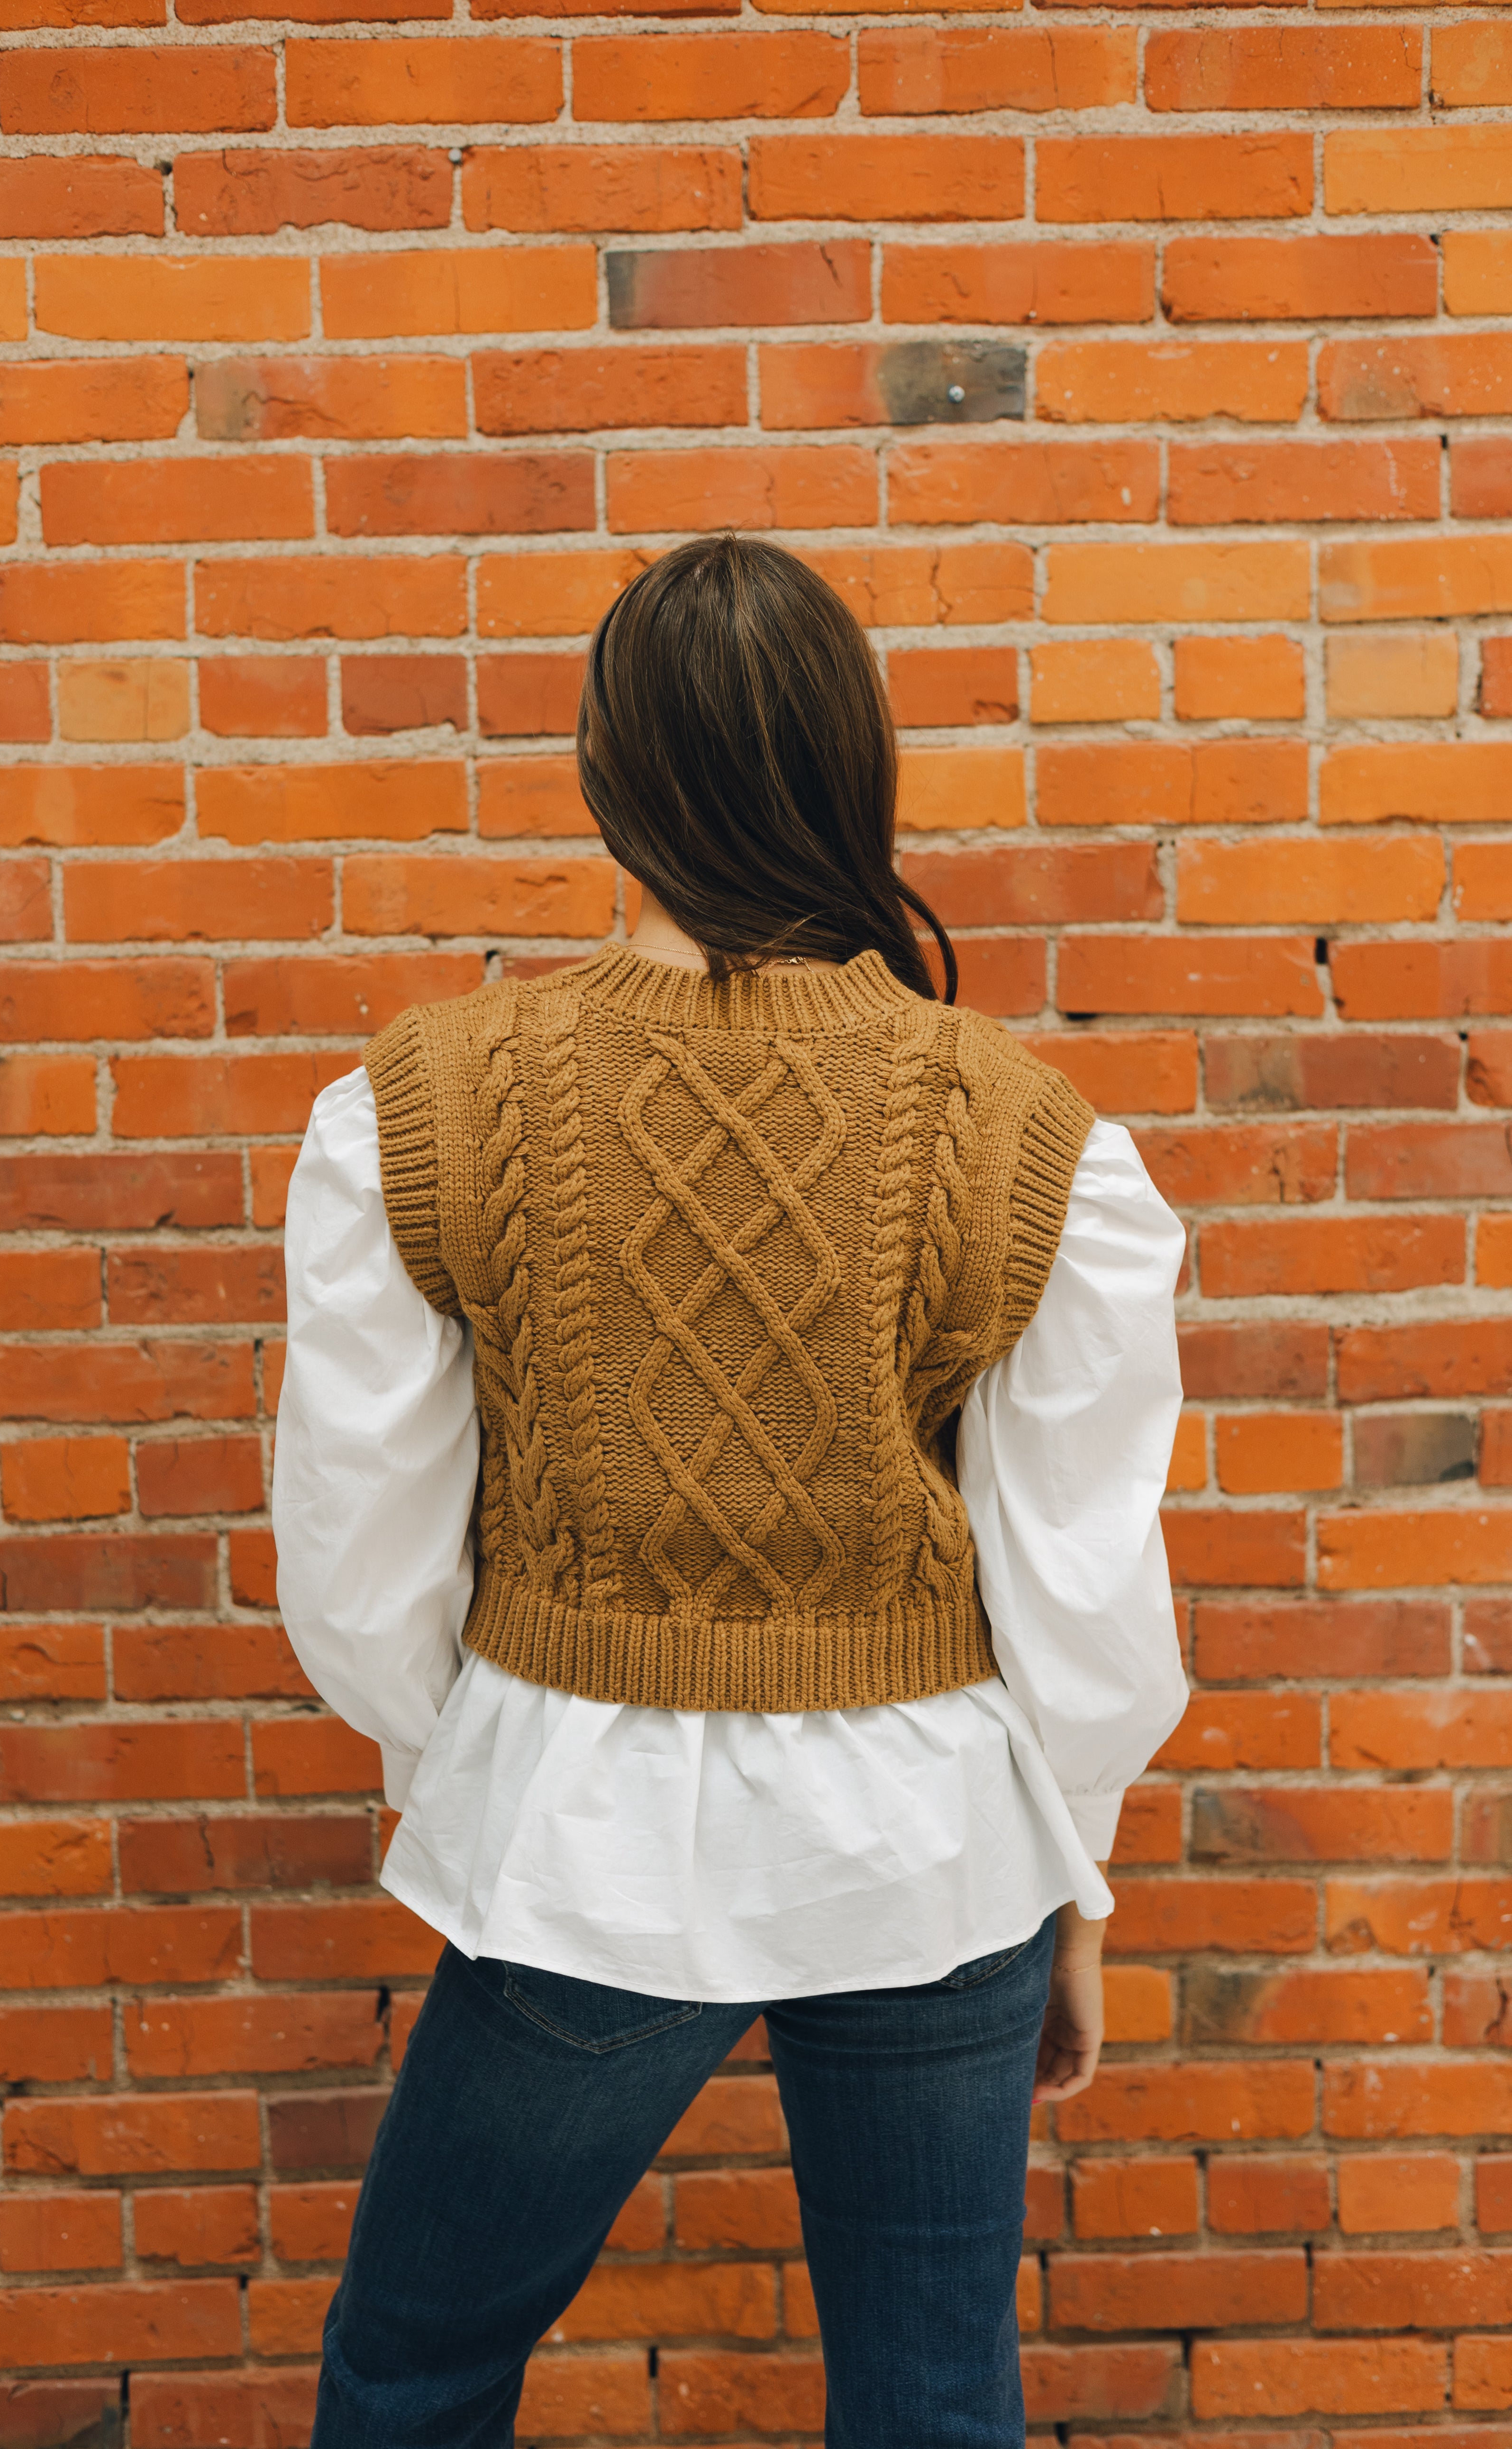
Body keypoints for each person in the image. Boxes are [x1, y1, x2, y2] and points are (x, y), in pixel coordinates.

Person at [273, 534, 1188, 2449]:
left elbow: (359, 1559)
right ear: (858, 772)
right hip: (938, 1843)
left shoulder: (418, 1108)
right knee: (934, 2399)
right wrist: (1081, 1869)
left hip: (581, 1847)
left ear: (603, 778)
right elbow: (1077, 1577)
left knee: (416, 2362)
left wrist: (508, 1758)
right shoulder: (1027, 1136)